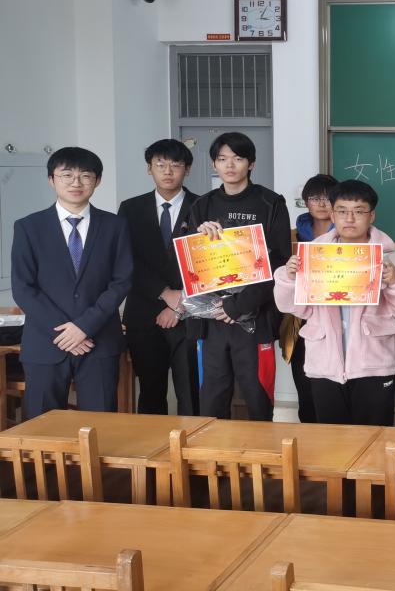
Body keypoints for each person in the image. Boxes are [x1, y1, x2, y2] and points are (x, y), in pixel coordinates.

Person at [273, 180, 395, 425]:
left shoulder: (392, 255)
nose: (350, 218)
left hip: (375, 362)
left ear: (371, 215)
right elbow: (294, 308)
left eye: (359, 211)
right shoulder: (314, 253)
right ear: (333, 215)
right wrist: (289, 278)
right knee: (331, 437)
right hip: (325, 362)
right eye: (342, 211)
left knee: (374, 435)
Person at [11, 147, 132, 418]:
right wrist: (65, 332)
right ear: (51, 179)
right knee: (41, 427)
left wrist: (84, 327)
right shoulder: (28, 227)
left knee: (100, 425)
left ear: (97, 181)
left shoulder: (115, 226)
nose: (76, 182)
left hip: (99, 341)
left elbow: (121, 281)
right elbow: (23, 287)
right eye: (67, 175)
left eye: (85, 175)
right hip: (46, 342)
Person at [178, 131, 291, 420]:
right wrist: (198, 237)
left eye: (238, 158)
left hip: (255, 316)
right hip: (212, 319)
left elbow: (279, 262)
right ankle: (213, 450)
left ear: (251, 164)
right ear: (213, 164)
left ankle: (262, 450)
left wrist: (239, 306)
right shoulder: (202, 205)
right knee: (212, 398)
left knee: (258, 397)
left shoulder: (270, 203)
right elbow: (189, 262)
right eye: (222, 159)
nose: (229, 165)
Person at [118, 138, 200, 415]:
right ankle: (152, 445)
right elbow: (126, 260)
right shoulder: (130, 208)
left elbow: (209, 263)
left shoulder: (203, 206)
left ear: (187, 169)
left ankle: (192, 444)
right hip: (144, 314)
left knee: (191, 393)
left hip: (190, 315)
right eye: (160, 164)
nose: (168, 171)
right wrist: (165, 294)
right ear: (149, 168)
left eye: (175, 164)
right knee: (150, 393)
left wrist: (180, 304)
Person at [278, 173, 338, 423]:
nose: (322, 203)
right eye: (315, 198)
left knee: (334, 388)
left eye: (327, 197)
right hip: (300, 320)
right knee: (305, 386)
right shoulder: (291, 236)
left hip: (336, 317)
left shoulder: (349, 234)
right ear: (305, 202)